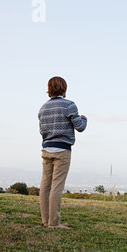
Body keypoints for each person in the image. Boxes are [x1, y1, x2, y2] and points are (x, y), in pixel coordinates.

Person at [38, 76, 87, 229]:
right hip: (62, 150)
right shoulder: (69, 105)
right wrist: (84, 119)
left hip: (46, 149)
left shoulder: (43, 108)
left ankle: (45, 221)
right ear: (64, 89)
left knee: (45, 186)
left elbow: (42, 131)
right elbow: (80, 127)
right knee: (56, 186)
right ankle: (54, 223)